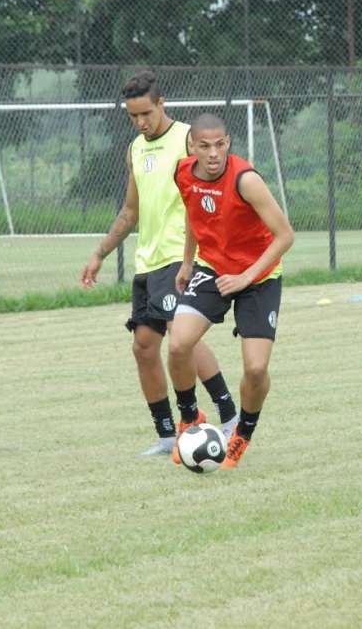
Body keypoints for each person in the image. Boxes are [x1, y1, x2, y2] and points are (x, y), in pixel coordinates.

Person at [79, 72, 237, 457]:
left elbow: (217, 187)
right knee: (144, 347)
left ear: (161, 103)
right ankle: (168, 434)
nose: (141, 122)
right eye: (133, 117)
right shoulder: (136, 149)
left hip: (179, 257)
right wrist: (100, 253)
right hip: (148, 262)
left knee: (179, 337)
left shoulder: (188, 139)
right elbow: (130, 210)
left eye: (146, 113)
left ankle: (228, 415)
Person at [168, 113, 294, 469]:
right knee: (178, 343)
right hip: (212, 267)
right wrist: (187, 262)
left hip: (261, 275)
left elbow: (286, 235)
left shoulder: (246, 180)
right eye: (204, 146)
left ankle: (241, 434)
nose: (212, 153)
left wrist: (245, 278)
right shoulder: (182, 173)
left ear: (228, 144)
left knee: (255, 369)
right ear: (192, 146)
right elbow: (196, 215)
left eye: (219, 145)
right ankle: (190, 419)